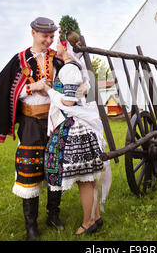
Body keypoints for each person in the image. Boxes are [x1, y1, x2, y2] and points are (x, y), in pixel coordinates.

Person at [0, 17, 66, 241]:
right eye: (44, 36)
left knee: (54, 166)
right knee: (29, 168)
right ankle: (31, 226)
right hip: (30, 123)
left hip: (53, 121)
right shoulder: (20, 60)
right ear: (33, 33)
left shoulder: (57, 61)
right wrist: (32, 86)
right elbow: (7, 89)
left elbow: (68, 84)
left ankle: (53, 215)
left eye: (51, 36)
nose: (49, 40)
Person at [42, 31, 108, 235]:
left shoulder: (69, 69)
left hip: (75, 128)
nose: (54, 47)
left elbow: (69, 102)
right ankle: (95, 218)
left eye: (58, 43)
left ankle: (88, 223)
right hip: (80, 125)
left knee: (85, 180)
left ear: (65, 46)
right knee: (88, 178)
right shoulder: (75, 67)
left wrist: (48, 90)